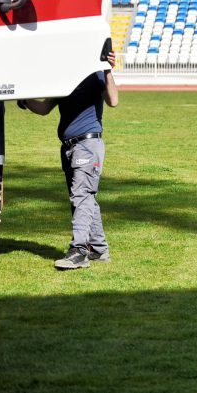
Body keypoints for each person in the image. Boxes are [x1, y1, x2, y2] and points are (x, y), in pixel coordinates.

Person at [21, 52, 119, 270]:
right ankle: (99, 249)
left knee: (81, 196)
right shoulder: (64, 76)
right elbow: (45, 108)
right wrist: (22, 99)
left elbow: (113, 100)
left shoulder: (96, 73)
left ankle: (79, 251)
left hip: (87, 144)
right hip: (68, 147)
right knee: (85, 197)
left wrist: (108, 70)